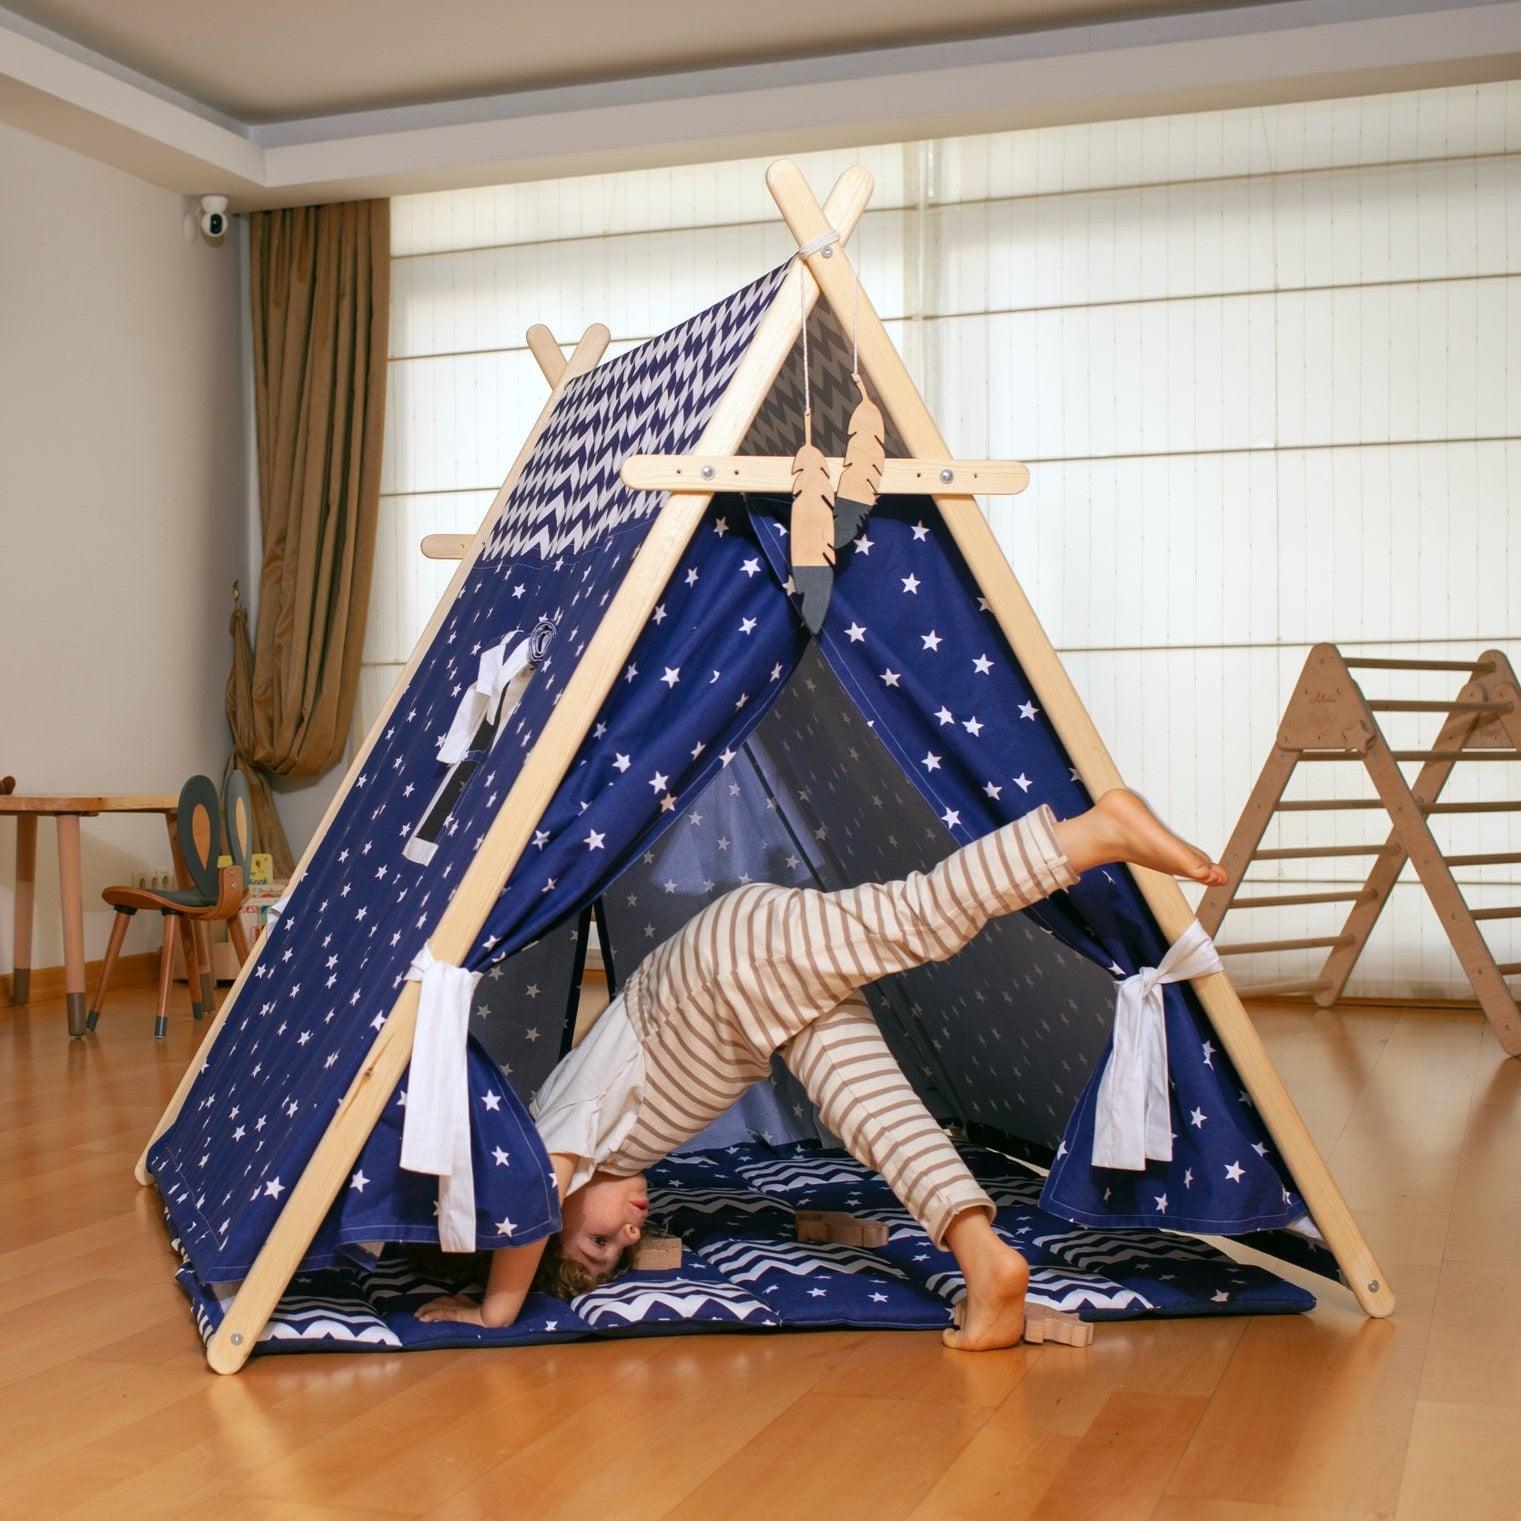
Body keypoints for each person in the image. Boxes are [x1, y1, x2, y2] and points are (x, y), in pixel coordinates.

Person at [416, 788, 1226, 1350]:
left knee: (915, 916)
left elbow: (530, 1201)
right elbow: (583, 1215)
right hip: (758, 1001)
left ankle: (1089, 834)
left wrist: (496, 1307)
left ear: (553, 1210)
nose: (627, 1229)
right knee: (876, 1113)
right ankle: (987, 1263)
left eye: (598, 1237)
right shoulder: (611, 1148)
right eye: (623, 1245)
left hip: (731, 965)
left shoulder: (559, 1135)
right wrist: (610, 1246)